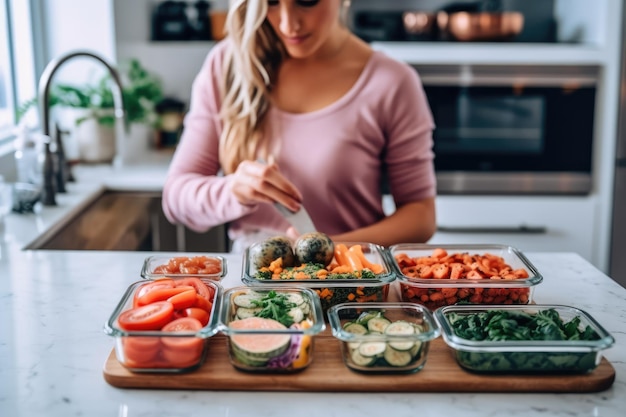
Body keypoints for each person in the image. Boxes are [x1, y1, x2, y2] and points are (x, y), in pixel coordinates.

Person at [162, 0, 437, 252]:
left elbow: (420, 216)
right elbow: (176, 198)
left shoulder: (392, 81)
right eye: (270, 3)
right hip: (249, 282)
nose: (288, 24)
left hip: (350, 276)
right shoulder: (226, 65)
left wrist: (323, 249)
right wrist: (233, 190)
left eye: (306, 2)